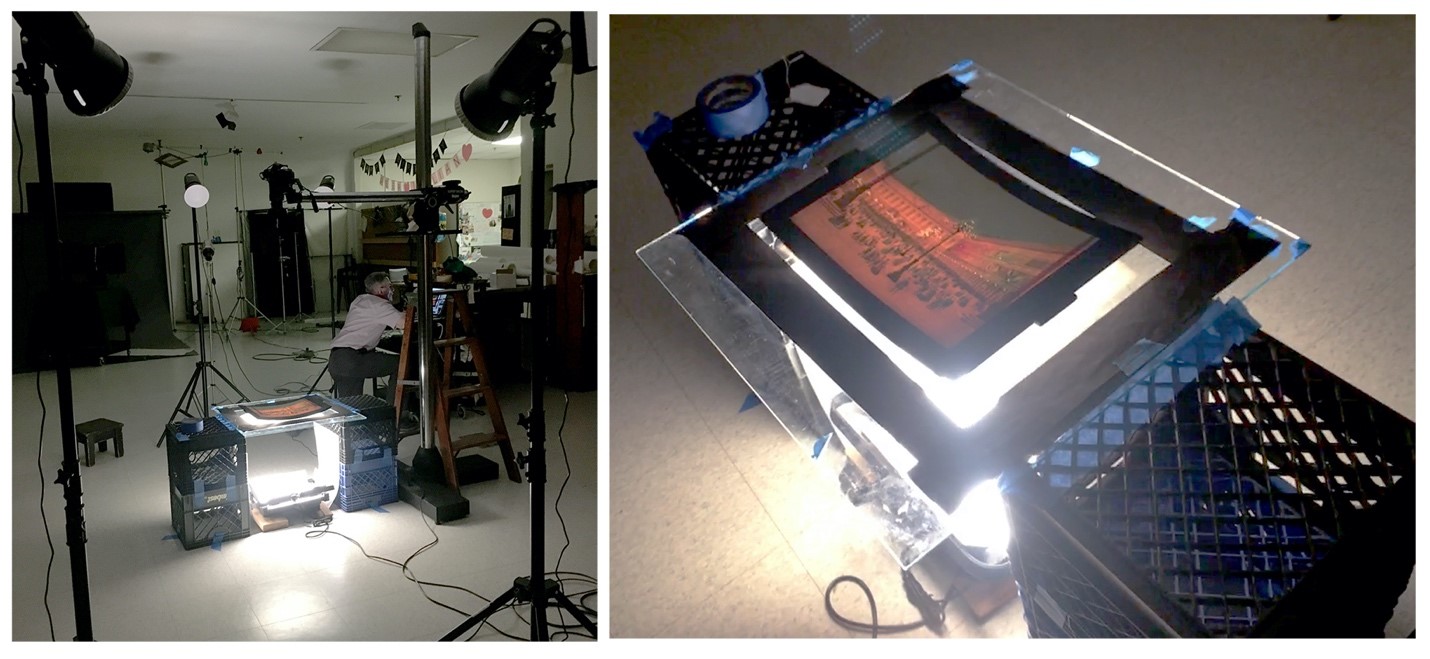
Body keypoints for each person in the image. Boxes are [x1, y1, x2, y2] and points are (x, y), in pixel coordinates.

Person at [329, 272, 417, 432]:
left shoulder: (360, 299)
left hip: (337, 359)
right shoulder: (380, 305)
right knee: (401, 365)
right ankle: (397, 416)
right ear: (381, 289)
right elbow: (406, 323)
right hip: (353, 360)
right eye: (389, 286)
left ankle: (351, 439)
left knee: (350, 413)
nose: (392, 290)